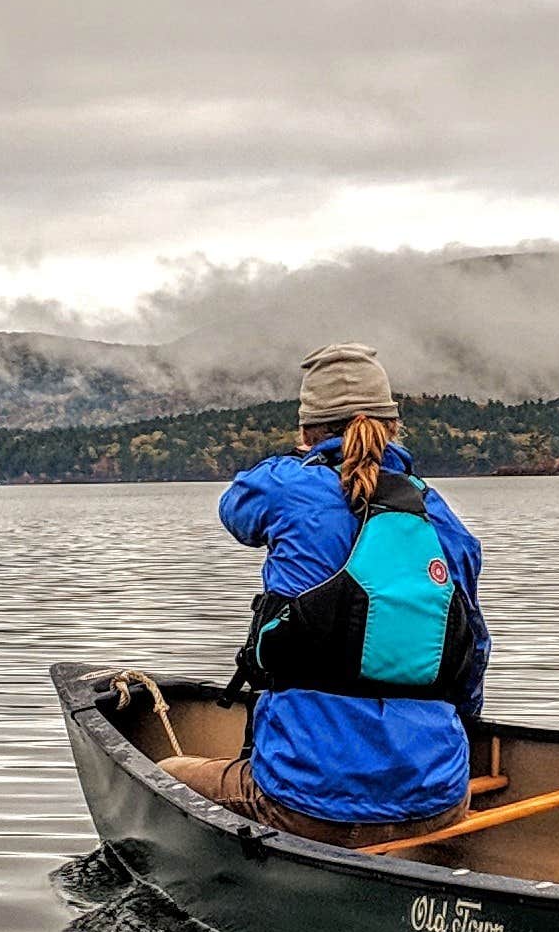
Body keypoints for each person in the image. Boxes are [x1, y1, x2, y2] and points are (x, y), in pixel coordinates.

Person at [165, 342, 493, 846]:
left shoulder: (285, 487)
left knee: (167, 772)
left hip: (305, 804)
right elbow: (473, 658)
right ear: (393, 426)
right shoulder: (443, 519)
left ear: (306, 431)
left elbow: (235, 510)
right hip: (440, 802)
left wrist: (300, 464)